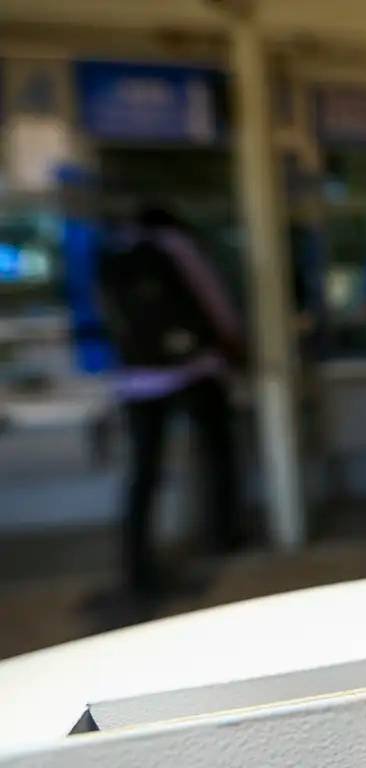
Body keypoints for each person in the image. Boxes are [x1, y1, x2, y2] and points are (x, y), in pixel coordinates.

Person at [97, 206, 244, 596]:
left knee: (144, 471)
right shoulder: (176, 245)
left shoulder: (115, 250)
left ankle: (137, 561)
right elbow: (212, 299)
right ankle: (224, 534)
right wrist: (231, 342)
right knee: (218, 454)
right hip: (193, 370)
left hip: (135, 378)